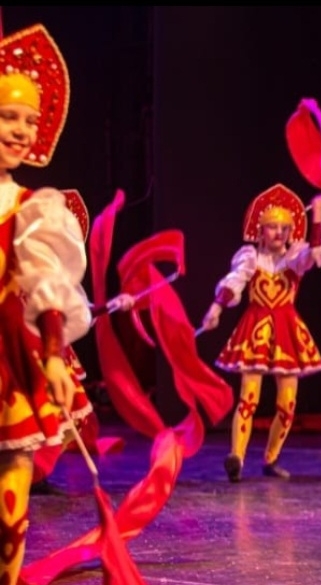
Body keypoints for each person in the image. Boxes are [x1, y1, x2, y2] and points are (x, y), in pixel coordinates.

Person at [0, 23, 94, 585]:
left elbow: (47, 288)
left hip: (10, 358)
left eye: (30, 121)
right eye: (8, 116)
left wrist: (56, 356)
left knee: (13, 473)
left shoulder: (34, 207)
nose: (21, 130)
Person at [199, 184, 321, 482]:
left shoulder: (295, 256)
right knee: (248, 397)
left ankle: (271, 459)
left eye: (285, 228)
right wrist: (216, 308)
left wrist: (318, 215)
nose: (279, 233)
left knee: (287, 404)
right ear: (260, 231)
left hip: (287, 330)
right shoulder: (250, 257)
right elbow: (234, 282)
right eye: (273, 227)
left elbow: (317, 255)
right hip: (255, 328)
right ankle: (237, 456)